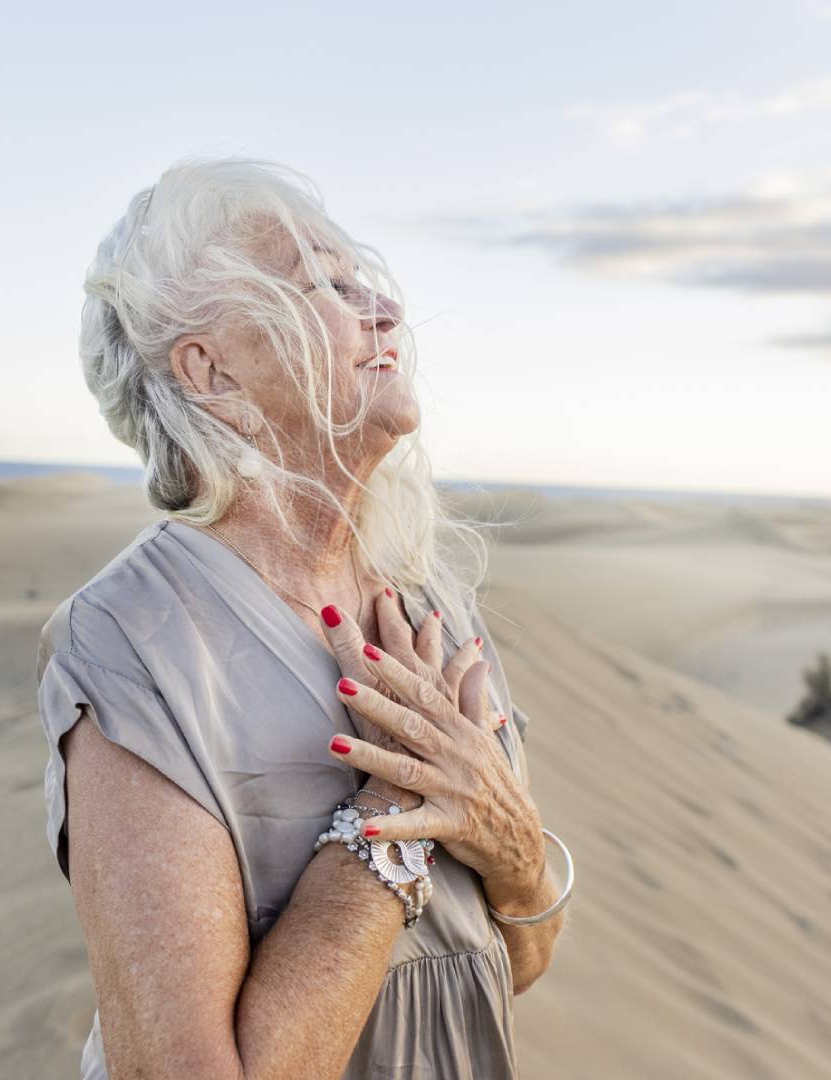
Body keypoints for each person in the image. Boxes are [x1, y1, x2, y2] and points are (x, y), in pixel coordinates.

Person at [36, 157, 570, 1079]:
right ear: (213, 373)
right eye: (323, 282)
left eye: (367, 279)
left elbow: (512, 960)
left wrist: (510, 841)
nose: (385, 311)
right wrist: (394, 809)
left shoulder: (429, 605)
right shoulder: (136, 647)